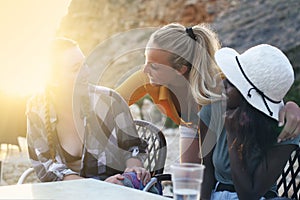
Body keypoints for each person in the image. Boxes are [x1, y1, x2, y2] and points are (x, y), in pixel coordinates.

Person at [116, 22, 300, 163]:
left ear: (180, 69)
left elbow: (264, 99)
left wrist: (291, 106)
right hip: (192, 129)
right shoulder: (147, 77)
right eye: (145, 60)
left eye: (154, 65)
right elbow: (106, 102)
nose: (144, 69)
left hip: (226, 140)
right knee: (189, 177)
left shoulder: (221, 81)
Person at [26, 37, 151, 186]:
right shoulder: (36, 109)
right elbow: (47, 168)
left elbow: (133, 147)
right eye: (76, 69)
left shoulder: (110, 101)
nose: (86, 72)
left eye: (84, 64)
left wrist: (133, 170)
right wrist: (99, 187)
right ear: (53, 80)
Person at [199, 44, 300, 199]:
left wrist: (234, 138)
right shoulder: (212, 111)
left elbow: (250, 195)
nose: (222, 84)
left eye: (232, 83)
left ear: (249, 99)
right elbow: (206, 169)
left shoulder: (284, 128)